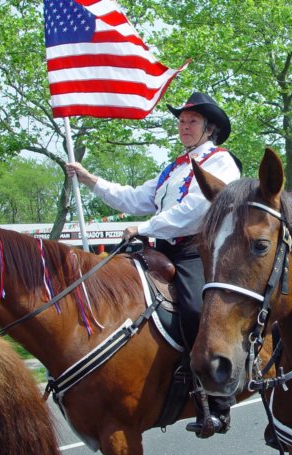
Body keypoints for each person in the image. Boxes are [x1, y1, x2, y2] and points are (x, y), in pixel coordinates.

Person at [66, 92, 241, 436]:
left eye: (191, 121)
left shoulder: (221, 162)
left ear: (210, 129)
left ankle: (218, 400)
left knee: (196, 311)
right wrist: (90, 180)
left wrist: (145, 227)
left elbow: (195, 210)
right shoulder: (173, 168)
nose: (183, 126)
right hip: (160, 249)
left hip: (196, 251)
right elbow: (134, 197)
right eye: (181, 121)